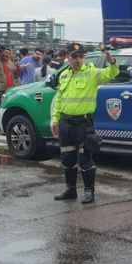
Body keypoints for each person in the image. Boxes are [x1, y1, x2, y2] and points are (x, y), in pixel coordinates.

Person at [51, 42, 119, 204]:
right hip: (65, 123)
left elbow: (112, 73)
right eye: (75, 57)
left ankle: (89, 192)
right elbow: (60, 99)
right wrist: (55, 118)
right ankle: (70, 190)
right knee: (67, 158)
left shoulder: (92, 73)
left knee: (85, 159)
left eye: (81, 56)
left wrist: (111, 61)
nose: (78, 59)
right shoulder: (64, 75)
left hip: (83, 123)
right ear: (68, 57)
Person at [0, 46, 20, 131]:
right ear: (1, 53)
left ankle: (6, 126)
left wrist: (16, 63)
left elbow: (15, 73)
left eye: (9, 53)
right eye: (5, 52)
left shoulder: (10, 62)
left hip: (9, 90)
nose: (7, 54)